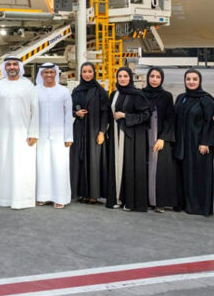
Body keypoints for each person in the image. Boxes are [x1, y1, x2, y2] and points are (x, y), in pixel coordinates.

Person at [0, 56, 39, 209]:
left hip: (24, 135)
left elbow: (35, 111)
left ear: (19, 67)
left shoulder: (28, 86)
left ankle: (23, 199)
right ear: (5, 67)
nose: (11, 67)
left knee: (24, 166)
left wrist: (34, 133)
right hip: (3, 135)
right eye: (8, 64)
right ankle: (3, 198)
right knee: (4, 165)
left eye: (15, 64)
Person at [106, 67, 151, 212]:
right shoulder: (114, 94)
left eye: (125, 76)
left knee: (128, 167)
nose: (122, 79)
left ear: (130, 78)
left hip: (131, 137)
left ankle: (129, 201)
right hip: (115, 136)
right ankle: (117, 198)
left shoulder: (137, 95)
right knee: (116, 166)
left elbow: (146, 115)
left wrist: (125, 116)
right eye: (120, 76)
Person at [173, 69, 214, 216]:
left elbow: (210, 122)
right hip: (183, 144)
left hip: (198, 144)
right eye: (188, 79)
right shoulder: (181, 98)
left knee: (198, 176)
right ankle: (185, 203)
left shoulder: (206, 99)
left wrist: (206, 142)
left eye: (194, 79)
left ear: (199, 81)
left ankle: (199, 206)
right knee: (185, 175)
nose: (191, 82)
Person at [70, 62, 110, 204]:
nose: (87, 74)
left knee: (94, 161)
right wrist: (76, 113)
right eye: (84, 72)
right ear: (81, 73)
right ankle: (82, 193)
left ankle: (94, 194)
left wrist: (102, 132)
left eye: (90, 71)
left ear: (94, 73)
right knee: (80, 160)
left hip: (94, 131)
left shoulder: (100, 91)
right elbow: (69, 108)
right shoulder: (76, 90)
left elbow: (105, 113)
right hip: (79, 130)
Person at [35, 64, 73, 208]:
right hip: (40, 135)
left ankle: (60, 198)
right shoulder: (35, 91)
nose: (49, 75)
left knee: (59, 166)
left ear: (55, 73)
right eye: (46, 72)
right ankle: (42, 196)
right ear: (41, 74)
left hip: (60, 136)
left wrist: (68, 137)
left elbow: (68, 116)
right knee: (42, 165)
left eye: (51, 72)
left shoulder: (63, 92)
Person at [142, 67, 178, 213]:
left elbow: (170, 119)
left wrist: (163, 138)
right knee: (144, 168)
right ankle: (145, 200)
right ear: (148, 78)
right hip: (144, 137)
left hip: (161, 138)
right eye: (152, 76)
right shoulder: (142, 94)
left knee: (161, 170)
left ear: (161, 79)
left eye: (157, 77)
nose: (155, 79)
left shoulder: (167, 96)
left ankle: (160, 202)